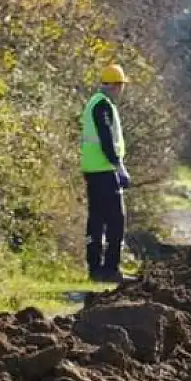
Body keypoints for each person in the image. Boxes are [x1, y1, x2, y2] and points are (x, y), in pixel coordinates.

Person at [80, 64, 131, 282]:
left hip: (94, 169)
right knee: (116, 220)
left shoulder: (95, 103)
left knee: (97, 220)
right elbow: (106, 138)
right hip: (104, 170)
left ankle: (95, 269)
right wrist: (119, 166)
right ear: (113, 85)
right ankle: (110, 268)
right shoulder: (102, 106)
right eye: (120, 85)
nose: (121, 90)